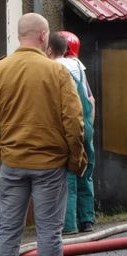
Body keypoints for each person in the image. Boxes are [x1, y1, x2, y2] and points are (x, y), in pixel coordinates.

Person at [0, 13, 87, 256]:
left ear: (19, 35)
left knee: (9, 232)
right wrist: (76, 159)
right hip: (50, 167)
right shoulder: (57, 72)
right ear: (42, 36)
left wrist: (2, 152)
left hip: (12, 165)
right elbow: (74, 122)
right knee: (49, 234)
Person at [49, 31, 96, 234]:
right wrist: (88, 128)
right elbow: (91, 100)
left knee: (67, 178)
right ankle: (87, 221)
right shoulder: (78, 66)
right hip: (86, 128)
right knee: (85, 173)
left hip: (67, 131)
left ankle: (69, 226)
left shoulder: (53, 68)